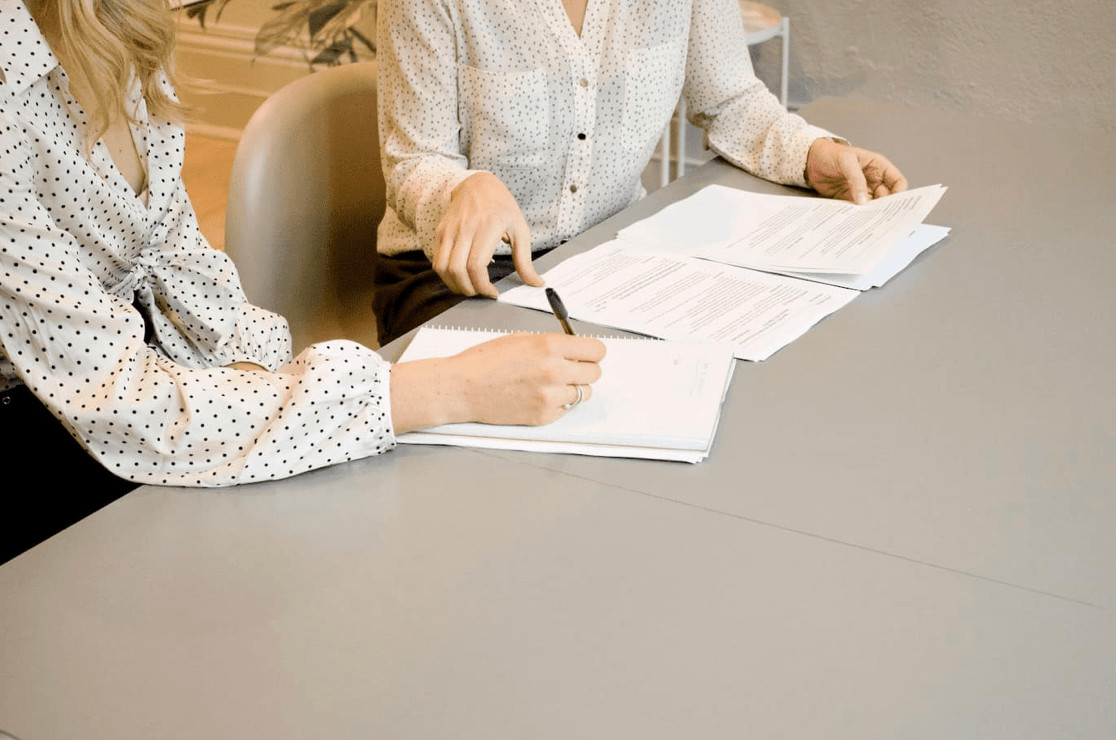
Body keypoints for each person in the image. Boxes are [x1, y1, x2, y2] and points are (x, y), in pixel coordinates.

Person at [0, 0, 605, 564]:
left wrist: (259, 384)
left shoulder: (119, 35)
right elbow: (126, 404)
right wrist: (446, 390)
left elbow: (190, 278)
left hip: (140, 396)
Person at [373, 0, 909, 345]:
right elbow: (413, 161)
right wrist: (463, 188)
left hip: (608, 260)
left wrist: (811, 151)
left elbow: (729, 99)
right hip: (455, 278)